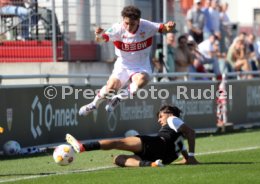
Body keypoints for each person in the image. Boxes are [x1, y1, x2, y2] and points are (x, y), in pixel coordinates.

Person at [79, 5, 176, 116]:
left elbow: (164, 28)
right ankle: (94, 104)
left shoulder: (147, 26)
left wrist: (170, 26)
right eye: (126, 23)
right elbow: (100, 39)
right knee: (111, 88)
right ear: (123, 19)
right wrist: (98, 35)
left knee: (142, 80)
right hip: (123, 64)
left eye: (132, 24)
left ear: (138, 21)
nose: (129, 27)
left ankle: (118, 98)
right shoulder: (117, 29)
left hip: (141, 65)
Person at [66, 105, 199, 167]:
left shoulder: (172, 118)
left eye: (160, 116)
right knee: (118, 159)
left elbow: (191, 132)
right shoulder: (179, 138)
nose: (159, 120)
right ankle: (151, 164)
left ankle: (83, 147)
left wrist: (191, 156)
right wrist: (188, 158)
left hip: (158, 143)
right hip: (163, 158)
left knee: (117, 143)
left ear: (169, 113)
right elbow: (183, 149)